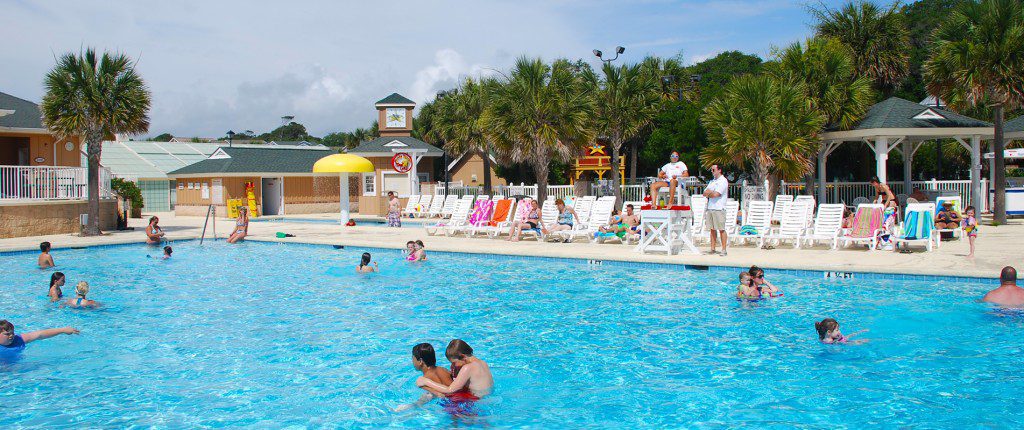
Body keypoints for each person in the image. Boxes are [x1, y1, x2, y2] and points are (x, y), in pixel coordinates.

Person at [416, 339, 494, 401]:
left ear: (463, 356)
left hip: (478, 402)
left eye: (454, 362)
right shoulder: (483, 363)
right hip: (488, 398)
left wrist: (426, 381)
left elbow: (450, 390)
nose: (452, 365)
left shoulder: (467, 368)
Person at [395, 343, 454, 412]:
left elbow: (437, 395)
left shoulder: (424, 379)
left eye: (413, 358)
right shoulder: (444, 370)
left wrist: (409, 406)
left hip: (451, 406)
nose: (412, 361)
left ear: (420, 361)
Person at [0, 320, 80, 355]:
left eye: (12, 333)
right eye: (7, 334)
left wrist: (62, 330)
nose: (11, 336)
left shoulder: (18, 340)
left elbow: (40, 334)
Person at [703, 164, 729, 256]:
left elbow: (716, 194)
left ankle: (724, 249)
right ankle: (713, 249)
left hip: (719, 208)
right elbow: (704, 193)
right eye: (711, 170)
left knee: (721, 229)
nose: (712, 171)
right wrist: (711, 193)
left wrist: (710, 193)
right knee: (712, 229)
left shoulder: (723, 181)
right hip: (710, 207)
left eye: (713, 170)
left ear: (719, 170)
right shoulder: (712, 181)